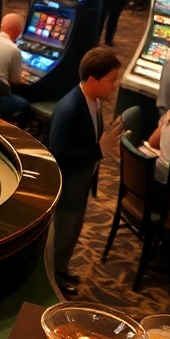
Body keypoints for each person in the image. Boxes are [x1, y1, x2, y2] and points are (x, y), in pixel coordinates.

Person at [49, 47, 124, 295]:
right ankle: (53, 281)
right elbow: (58, 157)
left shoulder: (93, 100)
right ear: (93, 80)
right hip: (69, 182)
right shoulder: (70, 109)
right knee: (62, 234)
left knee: (73, 232)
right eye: (112, 80)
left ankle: (61, 269)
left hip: (82, 181)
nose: (115, 85)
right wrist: (98, 150)